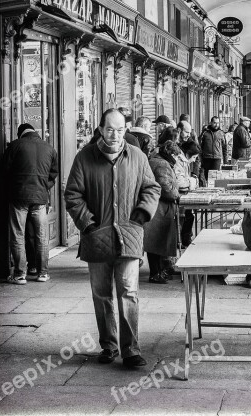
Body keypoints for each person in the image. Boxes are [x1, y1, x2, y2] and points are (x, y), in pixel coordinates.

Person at [64, 109, 160, 369]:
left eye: (120, 130)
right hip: (97, 238)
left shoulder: (137, 156)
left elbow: (152, 187)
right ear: (100, 129)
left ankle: (131, 350)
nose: (115, 135)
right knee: (102, 294)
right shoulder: (85, 157)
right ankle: (109, 345)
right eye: (110, 129)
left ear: (125, 130)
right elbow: (72, 194)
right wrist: (88, 223)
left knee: (129, 292)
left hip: (129, 236)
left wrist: (141, 214)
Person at [4, 123, 58, 284]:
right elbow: (53, 174)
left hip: (18, 197)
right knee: (42, 236)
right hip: (40, 199)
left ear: (20, 133)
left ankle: (20, 274)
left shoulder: (14, 146)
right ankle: (43, 273)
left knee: (17, 235)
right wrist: (42, 186)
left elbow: (5, 171)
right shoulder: (49, 148)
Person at [144, 140, 181, 284]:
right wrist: (177, 194)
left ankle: (159, 271)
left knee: (155, 243)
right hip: (159, 209)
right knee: (157, 243)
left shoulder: (156, 160)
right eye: (176, 156)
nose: (177, 159)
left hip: (155, 207)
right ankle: (156, 273)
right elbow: (166, 188)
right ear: (171, 154)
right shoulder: (162, 165)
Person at [175, 139, 201, 247]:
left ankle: (185, 240)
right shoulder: (179, 161)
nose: (194, 160)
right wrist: (192, 181)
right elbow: (180, 182)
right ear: (188, 154)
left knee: (189, 215)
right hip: (178, 195)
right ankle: (183, 241)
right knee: (187, 216)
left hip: (183, 194)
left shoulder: (183, 160)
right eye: (194, 157)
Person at [200, 116, 227, 181]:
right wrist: (200, 159)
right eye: (214, 123)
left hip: (217, 158)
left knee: (215, 177)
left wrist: (225, 160)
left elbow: (224, 147)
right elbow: (200, 146)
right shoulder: (205, 133)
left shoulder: (221, 133)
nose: (216, 125)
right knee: (207, 177)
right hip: (206, 158)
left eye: (218, 123)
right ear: (211, 123)